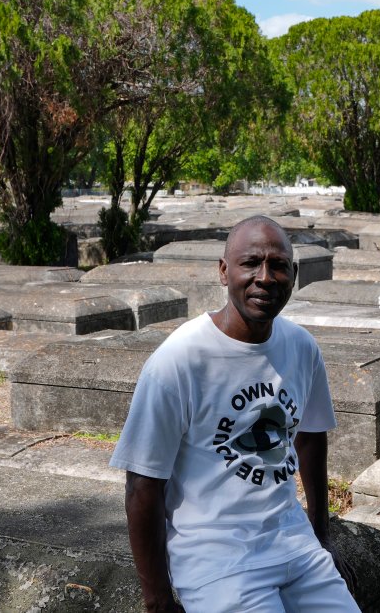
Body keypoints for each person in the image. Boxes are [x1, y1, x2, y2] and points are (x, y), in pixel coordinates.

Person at [110, 216, 358, 612]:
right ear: (224, 272)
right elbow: (142, 485)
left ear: (293, 275)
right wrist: (157, 598)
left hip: (294, 543)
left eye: (278, 265)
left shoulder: (301, 347)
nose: (265, 277)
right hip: (218, 559)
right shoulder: (179, 361)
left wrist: (322, 534)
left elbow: (310, 437)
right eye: (250, 263)